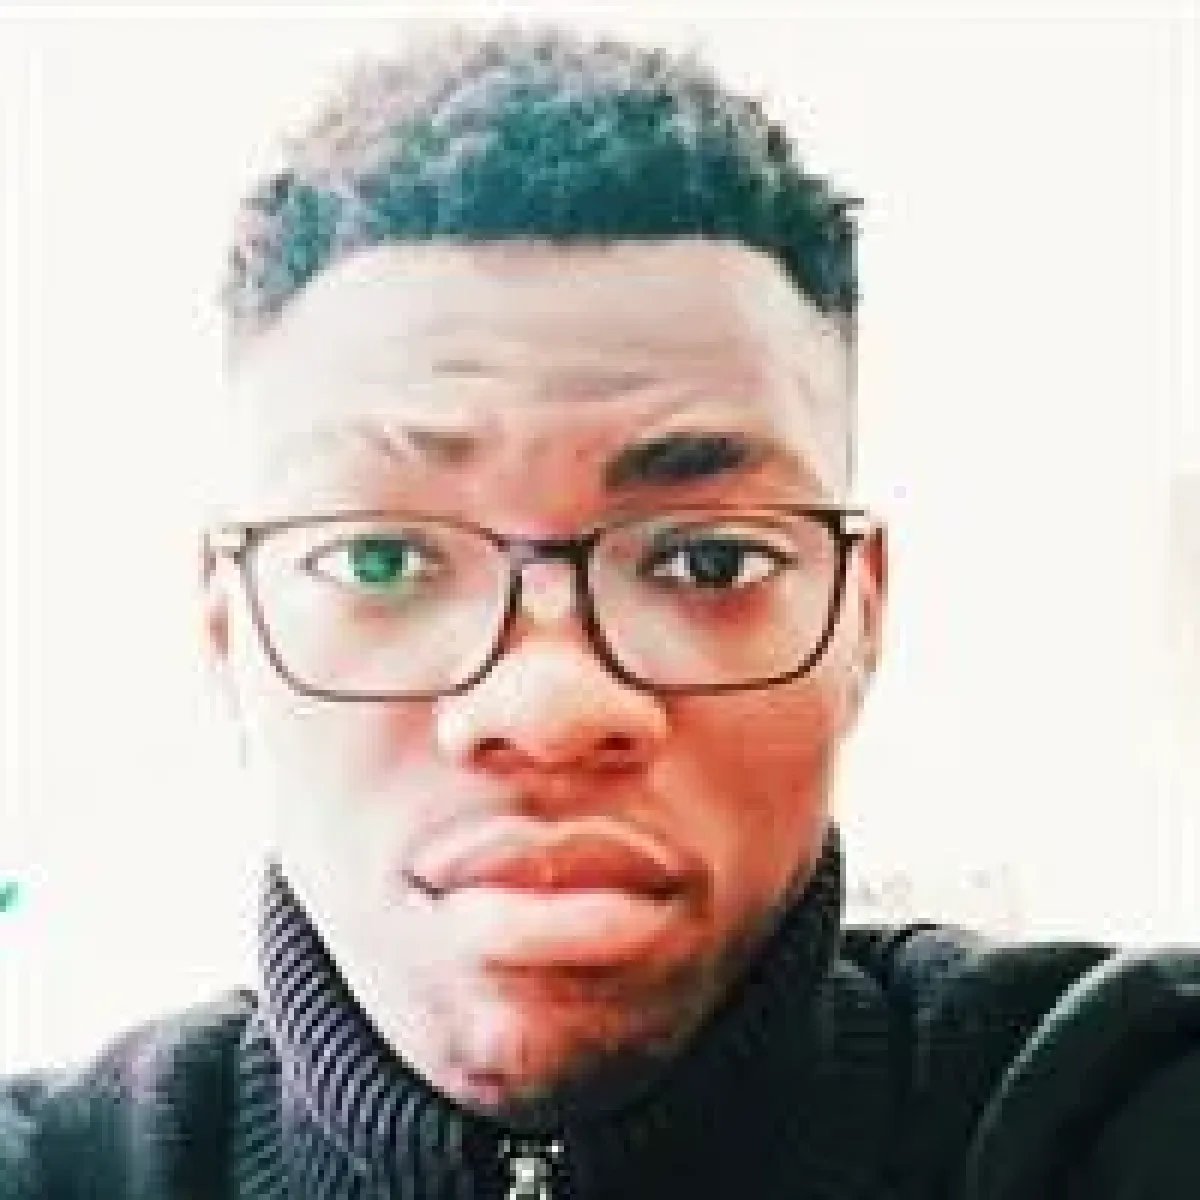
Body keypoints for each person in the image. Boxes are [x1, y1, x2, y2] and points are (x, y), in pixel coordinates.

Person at [2, 22, 1197, 1200]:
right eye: (378, 559)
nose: (550, 705)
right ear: (228, 636)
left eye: (712, 562)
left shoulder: (1106, 1106)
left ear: (859, 621)